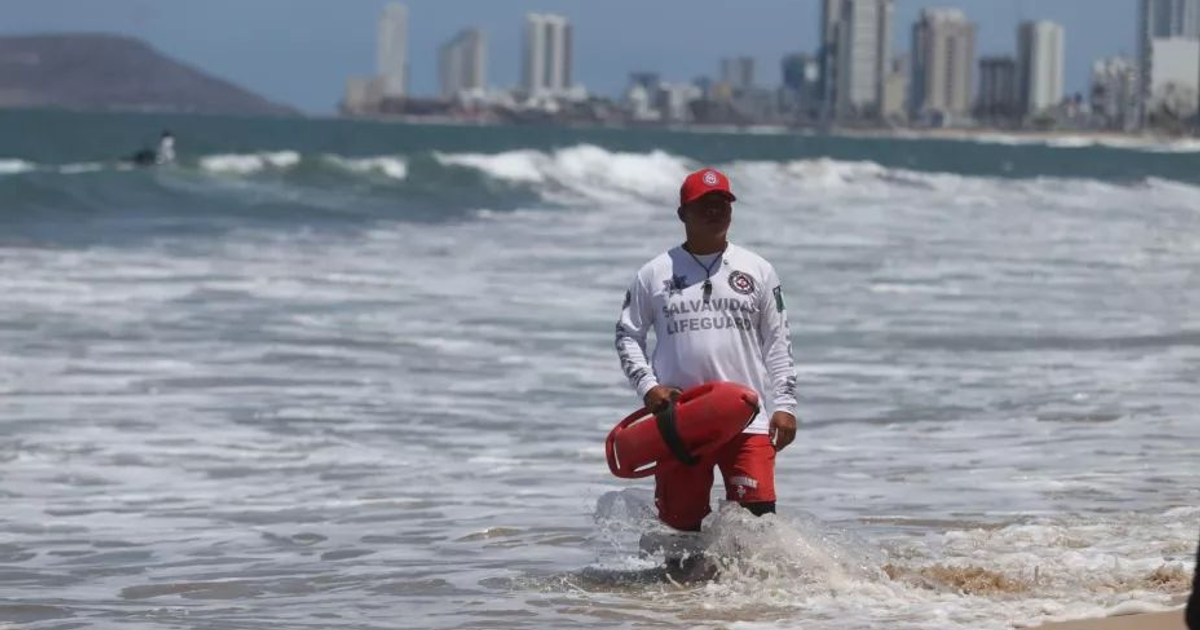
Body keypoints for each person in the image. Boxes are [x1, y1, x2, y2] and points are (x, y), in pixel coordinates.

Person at [614, 167, 798, 540]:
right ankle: (686, 583)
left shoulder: (758, 269)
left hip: (747, 417)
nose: (715, 211)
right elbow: (627, 335)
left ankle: (747, 583)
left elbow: (777, 341)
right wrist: (648, 387)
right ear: (682, 213)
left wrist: (786, 405)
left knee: (758, 525)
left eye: (722, 204)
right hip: (680, 418)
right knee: (680, 531)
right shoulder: (654, 273)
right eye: (704, 205)